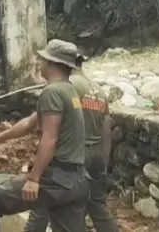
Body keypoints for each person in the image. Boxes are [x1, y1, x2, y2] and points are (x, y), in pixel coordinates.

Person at [0, 39, 90, 232]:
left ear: (52, 63)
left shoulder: (52, 92)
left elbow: (50, 138)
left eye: (43, 60)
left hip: (55, 180)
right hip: (76, 181)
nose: (40, 63)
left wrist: (34, 179)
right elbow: (29, 123)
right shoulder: (69, 91)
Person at [23, 48, 118, 232]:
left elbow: (38, 123)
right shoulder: (97, 89)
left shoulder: (67, 86)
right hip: (97, 154)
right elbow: (106, 129)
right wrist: (103, 163)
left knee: (43, 207)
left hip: (74, 156)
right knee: (96, 206)